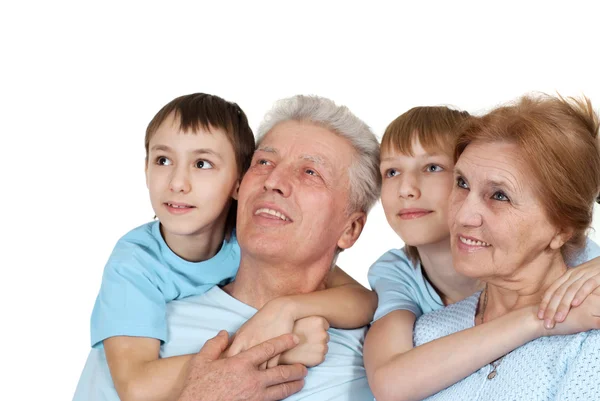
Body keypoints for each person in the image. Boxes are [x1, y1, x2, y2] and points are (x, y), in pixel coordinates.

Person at [74, 95, 380, 401]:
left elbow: (365, 300)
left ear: (350, 229)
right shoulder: (141, 324)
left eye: (310, 172)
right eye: (264, 162)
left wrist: (285, 309)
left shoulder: (384, 354)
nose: (273, 180)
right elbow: (135, 386)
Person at [364, 105, 600, 401]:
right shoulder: (427, 332)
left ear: (561, 229)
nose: (463, 216)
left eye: (499, 195)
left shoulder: (589, 339)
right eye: (461, 183)